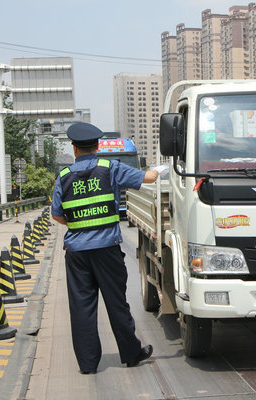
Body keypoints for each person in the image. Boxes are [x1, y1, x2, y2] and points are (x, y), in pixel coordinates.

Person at [51, 122, 167, 374]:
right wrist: (159, 169)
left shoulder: (63, 177)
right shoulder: (110, 168)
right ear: (98, 146)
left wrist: (79, 222)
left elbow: (57, 216)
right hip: (107, 250)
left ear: (74, 148)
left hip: (77, 252)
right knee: (116, 302)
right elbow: (148, 178)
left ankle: (88, 363)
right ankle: (131, 353)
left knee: (82, 306)